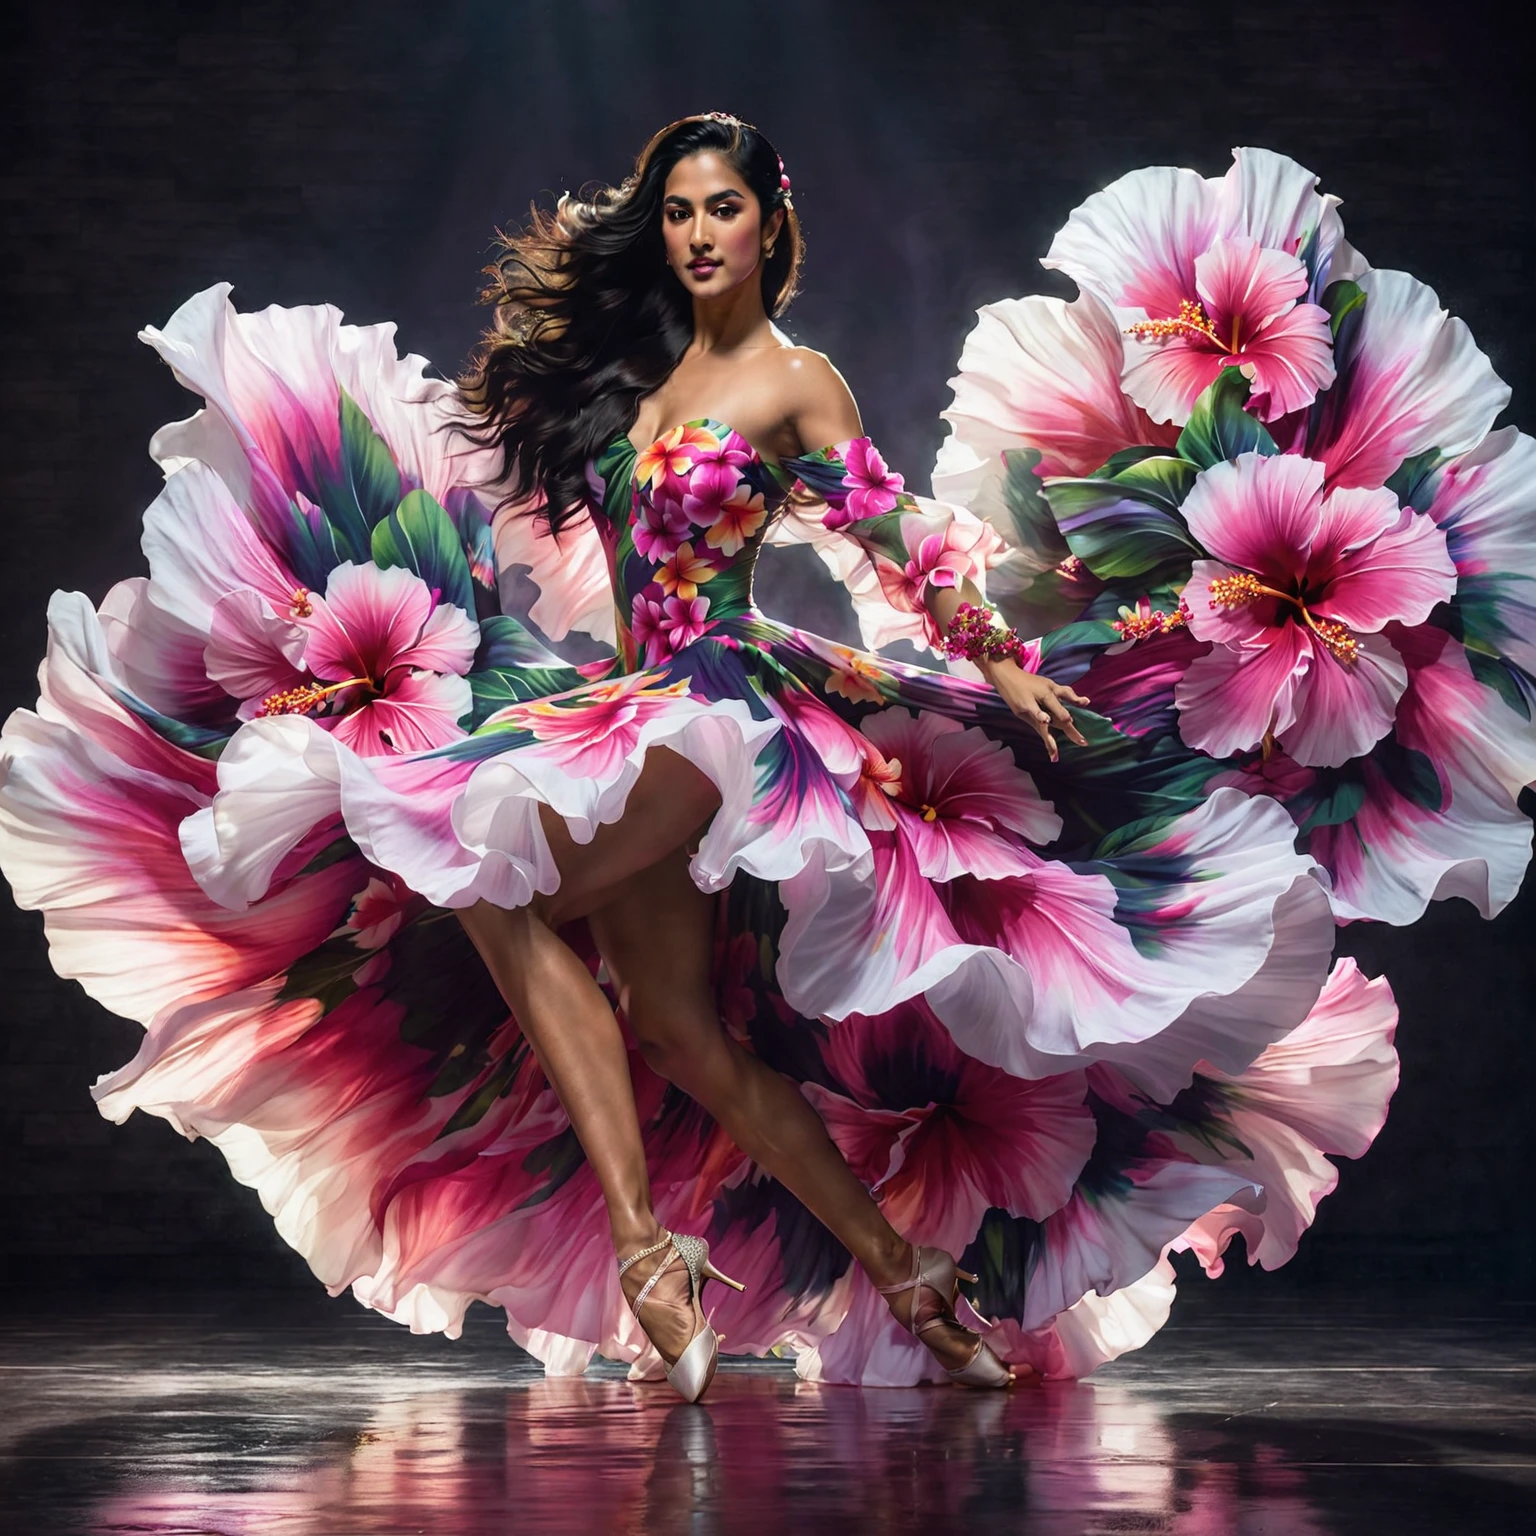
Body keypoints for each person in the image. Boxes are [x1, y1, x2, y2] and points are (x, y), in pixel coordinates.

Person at [0, 115, 1404, 1403]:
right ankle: (912, 1289)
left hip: (717, 708)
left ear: (767, 223)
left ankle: (642, 1246)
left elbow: (895, 536)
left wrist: (989, 661)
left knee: (494, 891)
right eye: (675, 211)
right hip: (621, 701)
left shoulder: (797, 383)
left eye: (721, 208)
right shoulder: (638, 378)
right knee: (680, 1032)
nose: (696, 233)